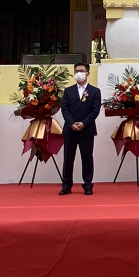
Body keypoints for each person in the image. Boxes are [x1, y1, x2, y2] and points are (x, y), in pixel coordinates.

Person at [59, 62, 101, 196]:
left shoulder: (95, 91)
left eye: (82, 71)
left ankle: (88, 185)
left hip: (87, 130)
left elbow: (95, 111)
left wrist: (83, 123)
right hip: (70, 130)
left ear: (88, 73)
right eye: (76, 71)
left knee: (87, 158)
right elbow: (64, 109)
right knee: (68, 158)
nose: (79, 73)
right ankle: (66, 185)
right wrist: (71, 123)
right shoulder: (68, 91)